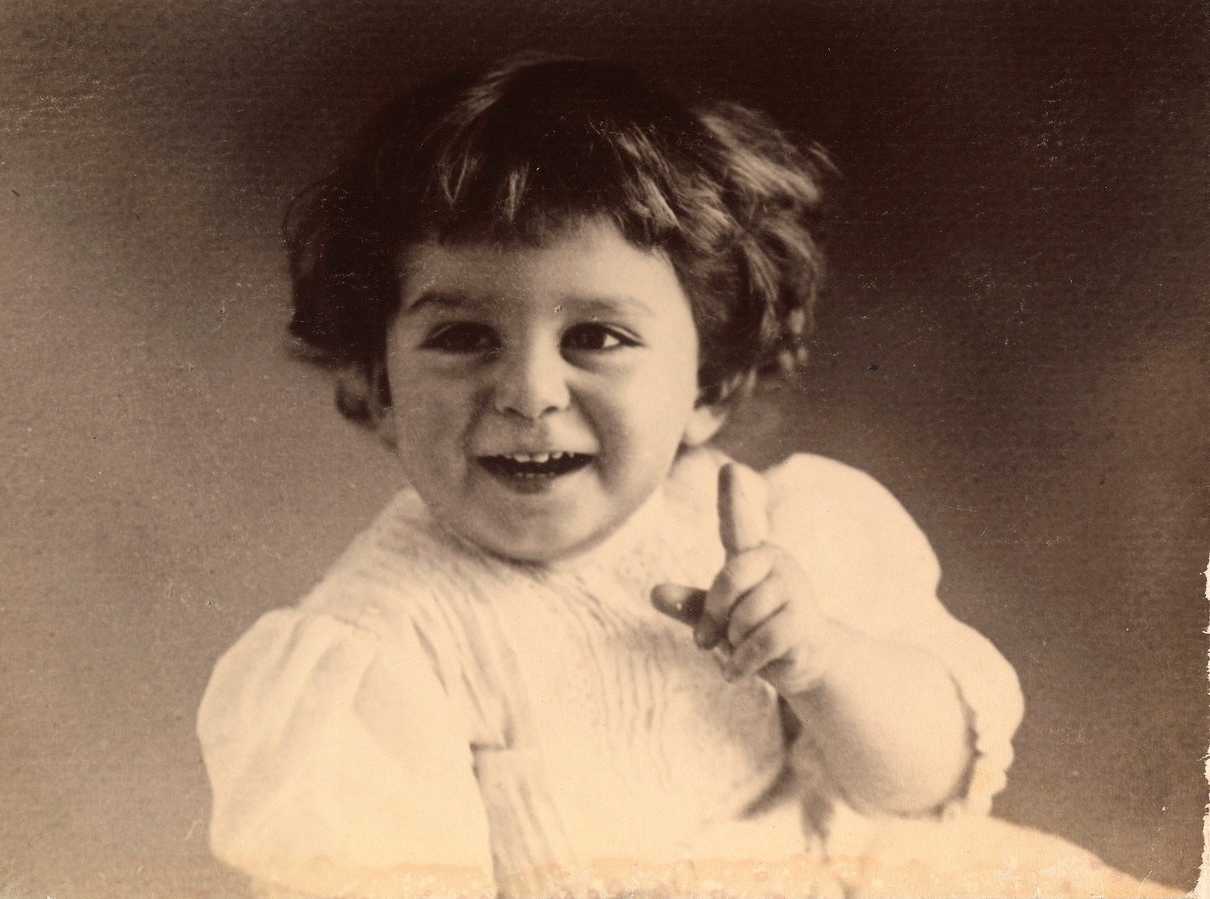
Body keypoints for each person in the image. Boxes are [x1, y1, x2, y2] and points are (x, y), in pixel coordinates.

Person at [197, 56, 1174, 899]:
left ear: (706, 384)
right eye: (461, 336)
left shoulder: (776, 529)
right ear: (378, 381)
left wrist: (821, 662)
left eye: (596, 336)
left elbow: (925, 784)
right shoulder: (384, 649)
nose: (529, 392)